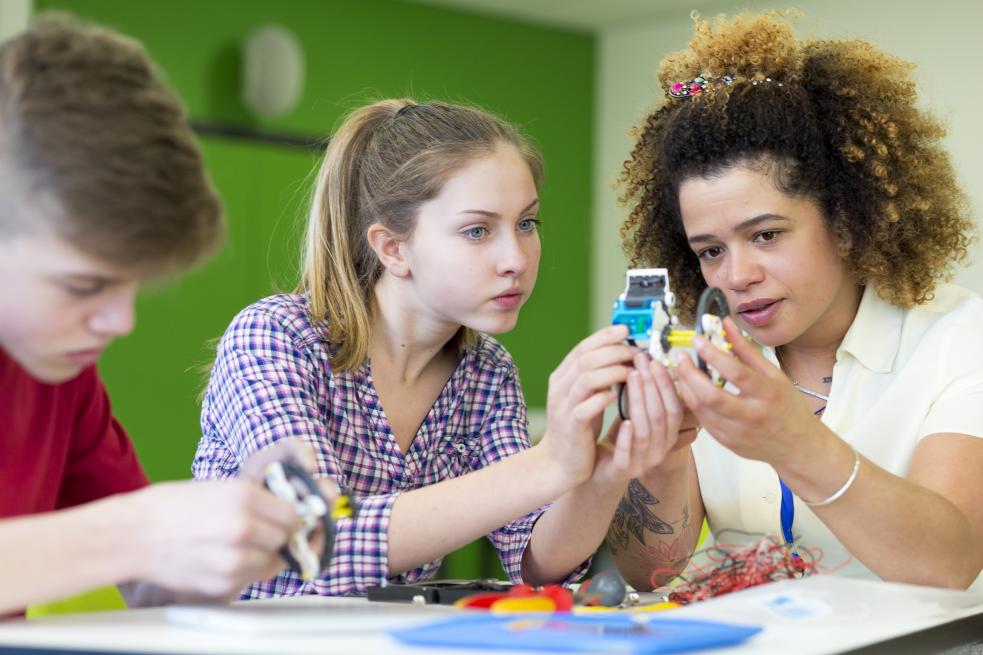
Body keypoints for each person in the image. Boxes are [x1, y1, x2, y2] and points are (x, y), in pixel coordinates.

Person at [194, 99, 672, 598]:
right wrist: (548, 463)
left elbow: (536, 564)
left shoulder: (486, 373)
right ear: (393, 248)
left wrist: (608, 466)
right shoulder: (274, 337)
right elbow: (316, 538)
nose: (516, 259)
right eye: (477, 231)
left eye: (527, 223)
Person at [609, 11, 983, 592]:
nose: (736, 276)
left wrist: (794, 440)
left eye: (766, 235)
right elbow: (650, 571)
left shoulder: (962, 340)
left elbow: (948, 566)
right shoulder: (706, 351)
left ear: (846, 221)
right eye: (709, 250)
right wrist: (660, 452)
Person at [0, 16, 321, 615]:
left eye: (131, 285)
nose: (120, 322)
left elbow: (150, 588)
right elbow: (131, 542)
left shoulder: (61, 377)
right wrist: (136, 531)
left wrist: (246, 532)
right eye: (84, 285)